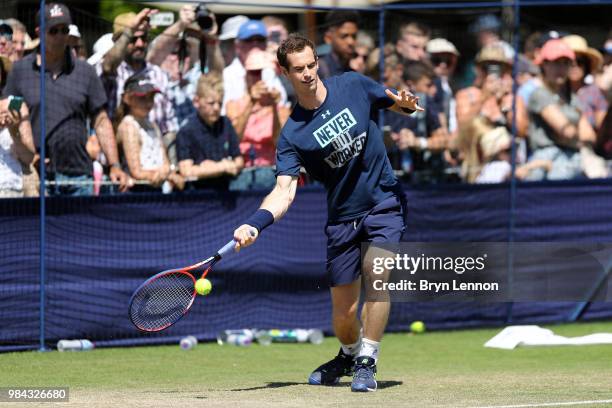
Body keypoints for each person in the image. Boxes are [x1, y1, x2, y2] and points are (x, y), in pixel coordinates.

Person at [231, 34, 422, 392]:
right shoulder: (292, 135)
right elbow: (284, 191)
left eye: (311, 65)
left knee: (378, 276)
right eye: (298, 69)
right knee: (345, 313)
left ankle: (367, 360)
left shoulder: (352, 83)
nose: (307, 74)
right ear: (285, 72)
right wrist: (254, 222)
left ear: (317, 61)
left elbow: (399, 105)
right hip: (341, 218)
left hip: (383, 201)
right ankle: (349, 353)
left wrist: (409, 104)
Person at [2, 3, 128, 196]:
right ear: (39, 32)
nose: (61, 36)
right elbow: (13, 110)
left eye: (65, 30)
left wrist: (114, 164)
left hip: (79, 175)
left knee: (81, 226)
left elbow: (101, 120)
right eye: (54, 31)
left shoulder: (84, 71)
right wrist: (28, 154)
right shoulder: (21, 72)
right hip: (38, 176)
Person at [226, 49, 290, 190]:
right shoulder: (233, 105)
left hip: (270, 171)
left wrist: (274, 107)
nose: (258, 78)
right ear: (245, 76)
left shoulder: (281, 109)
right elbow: (233, 141)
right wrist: (250, 102)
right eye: (253, 73)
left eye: (262, 73)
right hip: (241, 174)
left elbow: (280, 143)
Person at [115, 73, 184, 193]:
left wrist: (169, 173)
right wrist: (161, 175)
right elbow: (136, 171)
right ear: (127, 99)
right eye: (142, 98)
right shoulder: (129, 126)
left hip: (156, 189)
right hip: (136, 193)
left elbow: (165, 161)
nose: (148, 103)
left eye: (151, 97)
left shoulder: (153, 125)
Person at [176, 72, 243, 190]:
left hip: (225, 191)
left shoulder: (225, 124)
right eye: (211, 103)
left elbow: (238, 160)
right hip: (199, 195)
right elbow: (186, 170)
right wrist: (221, 167)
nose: (217, 108)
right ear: (196, 102)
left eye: (220, 103)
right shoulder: (186, 131)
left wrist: (211, 167)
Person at [317, 11, 359, 80]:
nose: (351, 42)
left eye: (354, 36)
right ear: (328, 38)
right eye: (344, 36)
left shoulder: (352, 72)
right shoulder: (317, 70)